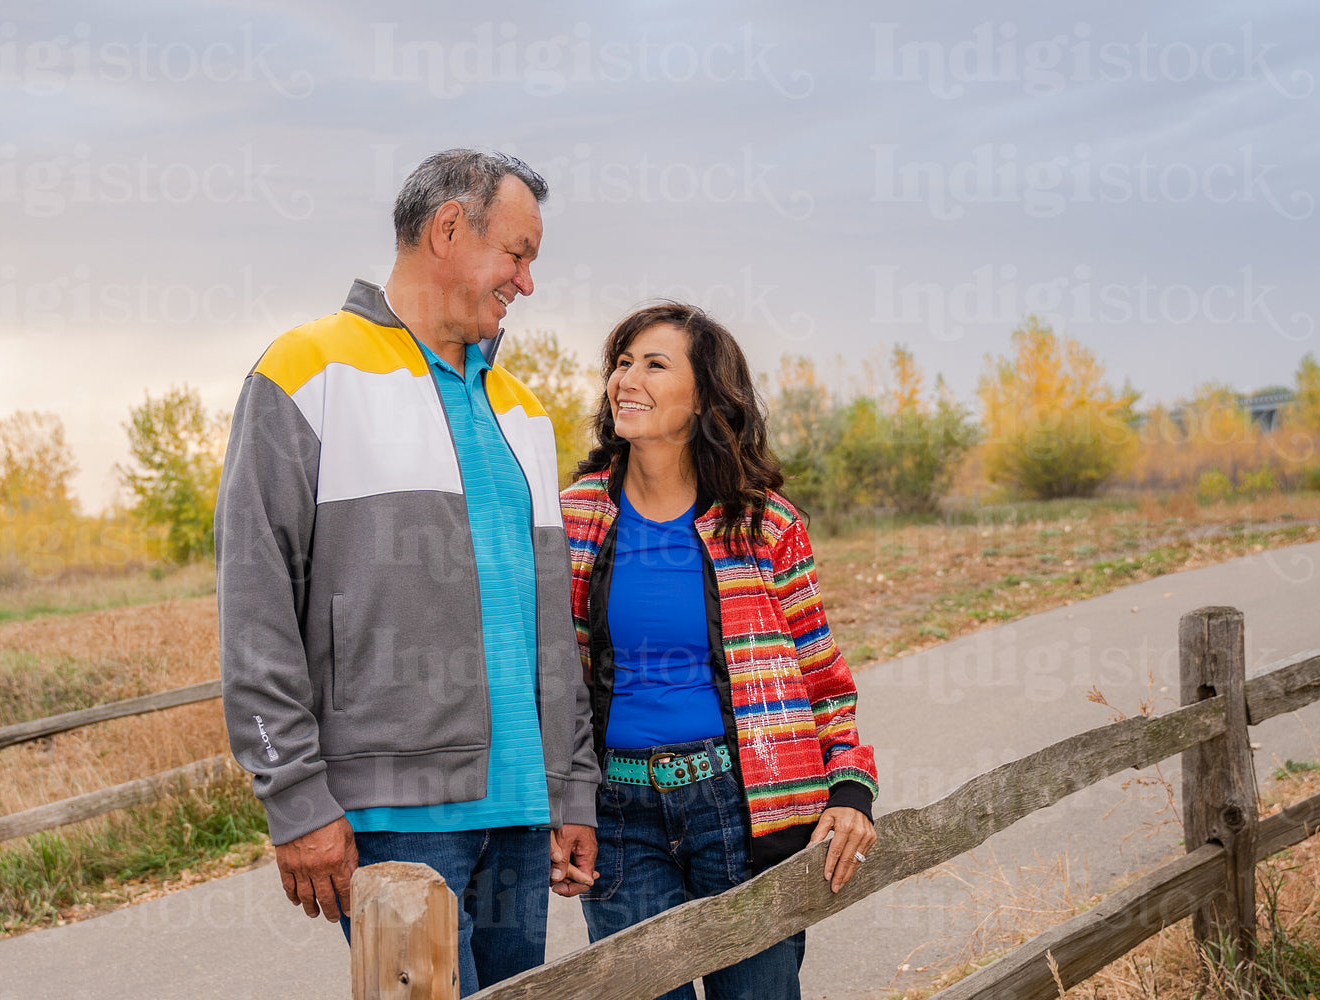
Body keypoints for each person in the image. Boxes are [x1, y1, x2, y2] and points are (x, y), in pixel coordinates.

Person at [215, 149, 599, 995]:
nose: (526, 284)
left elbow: (550, 630)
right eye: (518, 254)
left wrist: (571, 791)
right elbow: (255, 606)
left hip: (522, 812)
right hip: (392, 819)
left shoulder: (523, 410)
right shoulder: (305, 372)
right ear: (449, 229)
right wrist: (295, 796)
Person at [560, 303, 879, 1000]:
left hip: (739, 810)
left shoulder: (766, 525)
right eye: (621, 361)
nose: (626, 379)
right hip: (619, 816)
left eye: (654, 363)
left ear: (704, 395)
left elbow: (823, 677)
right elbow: (554, 682)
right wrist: (562, 803)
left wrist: (852, 788)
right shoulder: (575, 517)